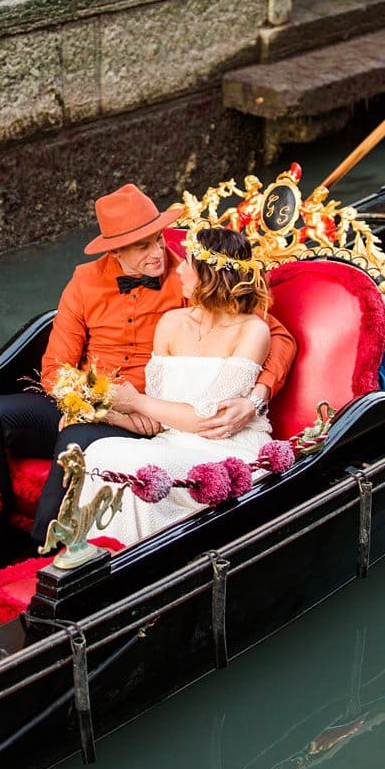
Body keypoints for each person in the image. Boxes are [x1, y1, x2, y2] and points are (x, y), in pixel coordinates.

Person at [0, 184, 295, 558]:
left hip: (150, 414)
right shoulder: (85, 282)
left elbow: (279, 336)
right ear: (115, 250)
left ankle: (43, 558)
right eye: (143, 246)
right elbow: (55, 367)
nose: (159, 253)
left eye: (158, 240)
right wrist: (85, 404)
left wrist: (257, 396)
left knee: (78, 439)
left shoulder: (190, 280)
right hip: (91, 402)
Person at [77, 226, 273, 544]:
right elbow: (157, 421)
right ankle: (97, 558)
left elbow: (211, 421)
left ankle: (137, 562)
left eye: (186, 262)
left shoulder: (252, 330)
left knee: (139, 469)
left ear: (208, 274)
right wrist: (100, 409)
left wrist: (136, 401)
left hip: (228, 448)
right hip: (172, 442)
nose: (177, 268)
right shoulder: (170, 323)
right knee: (98, 451)